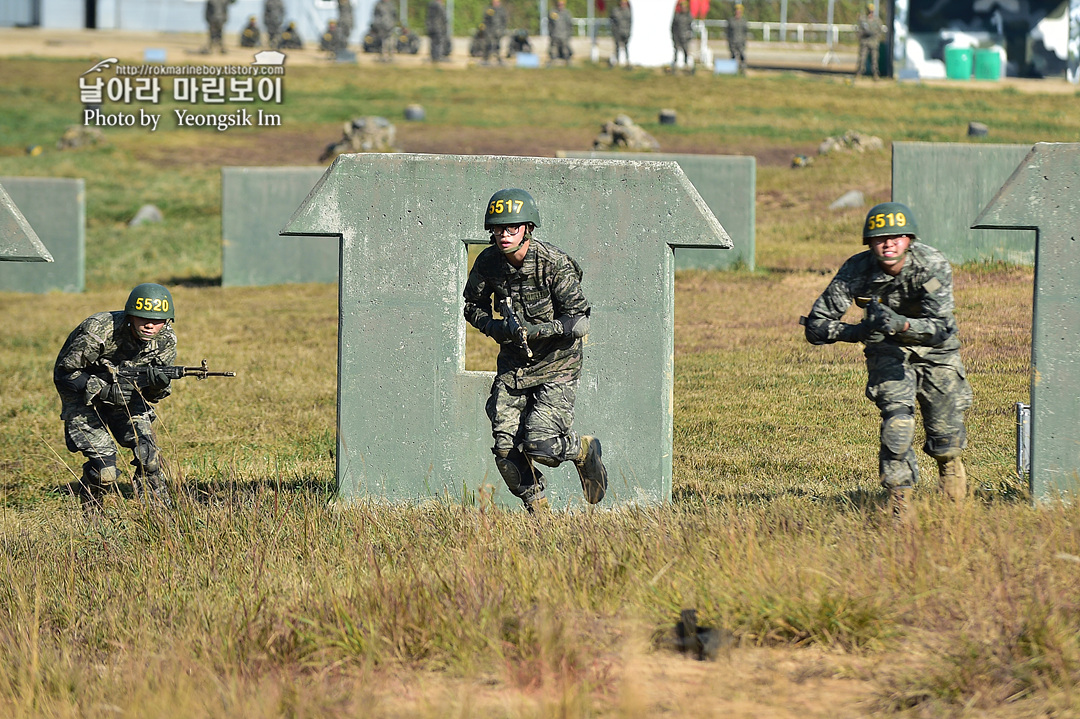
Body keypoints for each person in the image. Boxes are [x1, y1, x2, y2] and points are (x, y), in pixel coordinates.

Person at [801, 203, 972, 521]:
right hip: (887, 351)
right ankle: (900, 510)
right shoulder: (857, 270)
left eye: (896, 237)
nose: (888, 243)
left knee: (946, 439)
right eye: (879, 238)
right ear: (869, 243)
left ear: (909, 239)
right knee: (897, 425)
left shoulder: (930, 267)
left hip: (937, 352)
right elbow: (816, 326)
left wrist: (903, 324)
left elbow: (942, 327)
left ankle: (954, 506)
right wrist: (859, 330)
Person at [463, 189, 608, 513]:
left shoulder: (552, 263)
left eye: (511, 228)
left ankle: (583, 451)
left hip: (558, 364)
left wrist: (540, 331)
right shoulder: (488, 262)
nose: (504, 234)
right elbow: (472, 306)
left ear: (528, 229)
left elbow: (580, 320)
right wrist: (498, 328)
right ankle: (540, 516)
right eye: (498, 228)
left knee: (541, 445)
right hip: (515, 368)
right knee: (505, 451)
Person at [54, 284, 178, 511]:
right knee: (106, 472)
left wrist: (158, 385)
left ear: (168, 321)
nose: (150, 324)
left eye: (157, 320)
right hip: (82, 396)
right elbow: (65, 373)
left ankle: (159, 513)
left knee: (148, 456)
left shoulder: (165, 341)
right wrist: (101, 390)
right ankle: (91, 507)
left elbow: (153, 396)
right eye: (142, 318)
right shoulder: (100, 329)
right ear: (130, 316)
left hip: (127, 395)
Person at [855, 1, 882, 81]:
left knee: (874, 59)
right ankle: (859, 73)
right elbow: (858, 30)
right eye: (869, 11)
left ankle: (875, 74)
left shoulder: (877, 20)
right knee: (862, 58)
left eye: (871, 11)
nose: (870, 13)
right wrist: (863, 34)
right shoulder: (863, 20)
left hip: (873, 42)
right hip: (865, 42)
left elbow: (880, 31)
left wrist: (875, 36)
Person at [547, 0, 573, 66]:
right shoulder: (553, 12)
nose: (560, 6)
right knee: (553, 51)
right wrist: (551, 34)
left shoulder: (567, 13)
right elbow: (550, 24)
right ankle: (552, 63)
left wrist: (569, 35)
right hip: (555, 35)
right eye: (559, 4)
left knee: (566, 51)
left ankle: (568, 63)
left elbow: (569, 25)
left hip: (564, 35)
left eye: (562, 4)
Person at [482, 0, 508, 65]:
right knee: (488, 45)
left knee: (497, 46)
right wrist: (487, 30)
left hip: (498, 31)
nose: (496, 3)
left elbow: (504, 21)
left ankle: (498, 59)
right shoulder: (489, 10)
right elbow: (485, 20)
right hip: (490, 31)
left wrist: (502, 30)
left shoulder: (502, 10)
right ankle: (486, 59)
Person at [671, 0, 694, 72]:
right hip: (678, 36)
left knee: (686, 51)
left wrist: (689, 35)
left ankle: (686, 64)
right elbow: (673, 27)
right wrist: (674, 36)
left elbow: (691, 27)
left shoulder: (689, 16)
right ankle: (675, 64)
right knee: (676, 50)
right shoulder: (677, 16)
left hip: (685, 36)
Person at [726, 3, 748, 74]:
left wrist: (744, 41)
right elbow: (728, 32)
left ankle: (742, 70)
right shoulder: (731, 21)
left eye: (739, 11)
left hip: (741, 42)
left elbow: (745, 32)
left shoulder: (743, 21)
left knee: (742, 56)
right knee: (733, 56)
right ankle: (732, 70)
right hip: (733, 42)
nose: (738, 12)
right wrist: (729, 41)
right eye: (737, 10)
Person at [609, 0, 632, 67]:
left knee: (626, 47)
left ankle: (628, 61)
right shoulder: (616, 11)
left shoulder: (629, 12)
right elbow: (611, 19)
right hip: (617, 32)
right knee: (617, 47)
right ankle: (615, 61)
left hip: (626, 31)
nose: (623, 4)